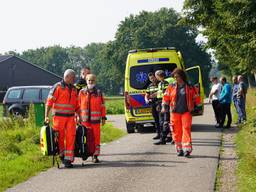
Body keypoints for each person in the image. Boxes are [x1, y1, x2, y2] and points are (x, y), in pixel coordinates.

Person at [162, 68, 201, 157]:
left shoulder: (190, 86)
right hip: (174, 112)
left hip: (186, 111)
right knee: (176, 131)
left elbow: (196, 97)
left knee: (186, 128)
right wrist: (164, 107)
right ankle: (179, 148)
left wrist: (198, 106)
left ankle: (187, 149)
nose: (176, 79)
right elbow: (166, 97)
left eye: (178, 77)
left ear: (182, 76)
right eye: (175, 77)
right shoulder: (171, 86)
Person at [45, 69, 79, 168]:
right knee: (59, 137)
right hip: (59, 117)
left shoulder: (74, 89)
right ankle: (62, 155)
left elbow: (76, 105)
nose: (74, 79)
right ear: (67, 77)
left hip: (71, 118)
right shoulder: (57, 87)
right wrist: (46, 116)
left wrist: (79, 115)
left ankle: (68, 159)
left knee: (71, 137)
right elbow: (49, 103)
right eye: (73, 78)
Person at [78, 74, 106, 163]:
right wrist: (77, 117)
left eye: (92, 81)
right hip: (84, 120)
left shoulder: (99, 93)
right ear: (86, 81)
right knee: (84, 137)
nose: (90, 82)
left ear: (95, 82)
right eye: (89, 80)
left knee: (96, 138)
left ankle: (95, 155)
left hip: (95, 121)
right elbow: (77, 106)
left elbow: (102, 106)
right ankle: (85, 152)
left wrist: (103, 117)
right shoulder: (81, 92)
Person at [154, 70, 171, 145]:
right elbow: (159, 93)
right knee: (161, 122)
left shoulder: (166, 83)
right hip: (160, 103)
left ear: (159, 76)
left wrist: (163, 104)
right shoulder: (159, 83)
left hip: (165, 103)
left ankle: (166, 138)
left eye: (156, 76)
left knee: (166, 122)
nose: (155, 77)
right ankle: (163, 138)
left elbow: (165, 94)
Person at [145, 72, 160, 139]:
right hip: (153, 104)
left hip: (159, 103)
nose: (152, 79)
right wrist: (146, 99)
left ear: (155, 77)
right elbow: (147, 94)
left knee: (161, 120)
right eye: (151, 78)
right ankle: (158, 134)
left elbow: (162, 91)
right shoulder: (149, 86)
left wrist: (154, 94)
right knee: (156, 120)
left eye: (153, 78)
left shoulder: (160, 84)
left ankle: (164, 134)